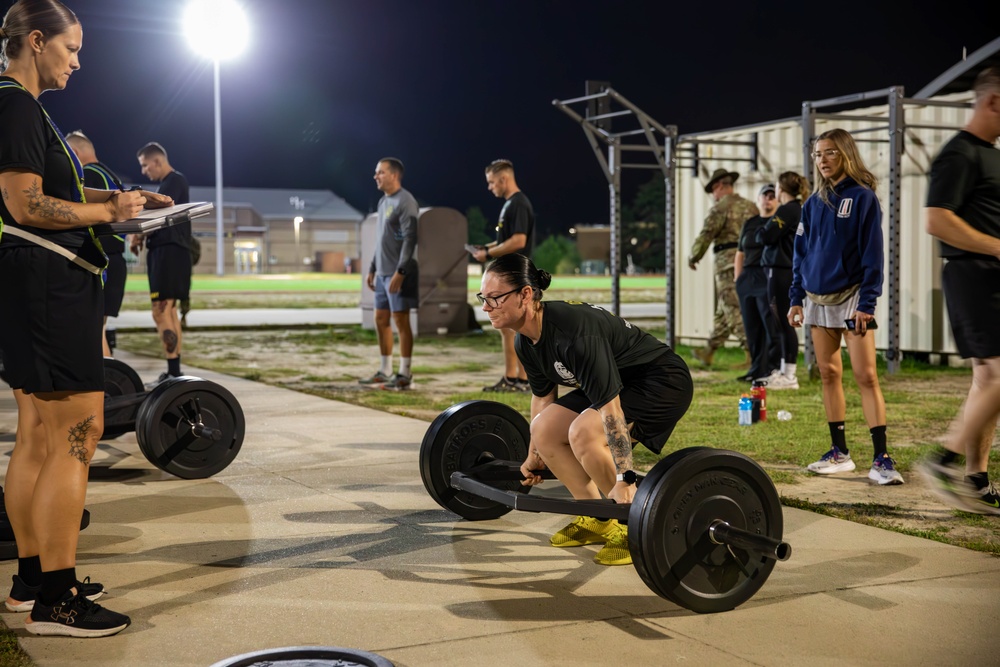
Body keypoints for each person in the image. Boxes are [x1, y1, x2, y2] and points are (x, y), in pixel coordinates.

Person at [0, 0, 171, 637]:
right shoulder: (17, 104)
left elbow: (51, 189)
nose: (77, 62)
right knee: (81, 431)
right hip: (47, 284)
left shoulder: (20, 107)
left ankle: (30, 582)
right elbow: (26, 202)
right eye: (71, 49)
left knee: (38, 437)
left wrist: (121, 197)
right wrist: (107, 217)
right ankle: (58, 598)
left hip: (25, 285)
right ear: (37, 41)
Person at [480, 254, 693, 566]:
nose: (486, 307)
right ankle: (595, 516)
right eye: (483, 298)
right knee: (544, 429)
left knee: (583, 433)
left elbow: (611, 410)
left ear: (526, 294)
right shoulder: (525, 341)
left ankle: (629, 523)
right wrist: (533, 455)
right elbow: (542, 400)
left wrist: (625, 476)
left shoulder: (575, 334)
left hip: (659, 381)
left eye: (494, 298)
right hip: (620, 381)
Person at [788, 128, 903, 485]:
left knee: (866, 375)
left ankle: (882, 458)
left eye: (830, 153)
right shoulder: (811, 203)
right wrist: (795, 297)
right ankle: (840, 452)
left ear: (846, 155)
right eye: (818, 155)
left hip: (853, 297)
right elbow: (800, 254)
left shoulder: (863, 198)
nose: (822, 160)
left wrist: (868, 302)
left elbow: (873, 255)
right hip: (817, 299)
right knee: (828, 373)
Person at [921, 66, 1000, 515]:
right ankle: (942, 460)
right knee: (997, 377)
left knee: (988, 380)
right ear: (991, 101)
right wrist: (995, 246)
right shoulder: (959, 153)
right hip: (972, 275)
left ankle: (975, 479)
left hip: (990, 275)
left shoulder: (992, 154)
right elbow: (937, 219)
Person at [469, 159, 535, 392]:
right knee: (508, 330)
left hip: (516, 277)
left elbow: (518, 241)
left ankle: (521, 380)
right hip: (511, 276)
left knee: (518, 328)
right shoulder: (510, 204)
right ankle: (513, 379)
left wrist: (487, 253)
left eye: (491, 182)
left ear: (503, 179)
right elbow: (503, 242)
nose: (490, 187)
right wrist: (485, 249)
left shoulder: (518, 203)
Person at [132, 141, 191, 386]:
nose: (144, 171)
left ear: (157, 161)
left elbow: (162, 210)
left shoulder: (173, 182)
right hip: (170, 253)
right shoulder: (170, 183)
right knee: (169, 310)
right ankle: (174, 370)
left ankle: (174, 372)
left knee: (160, 311)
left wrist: (137, 233)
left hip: (168, 253)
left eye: (145, 165)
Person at [65, 130, 126, 357]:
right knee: (97, 329)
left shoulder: (88, 174)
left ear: (75, 152)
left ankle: (108, 385)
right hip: (116, 259)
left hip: (101, 259)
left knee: (91, 332)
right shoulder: (110, 175)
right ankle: (110, 384)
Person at [688, 167, 756, 367]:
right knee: (723, 310)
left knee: (732, 308)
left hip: (728, 264)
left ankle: (753, 354)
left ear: (718, 187)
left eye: (713, 191)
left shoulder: (720, 208)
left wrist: (693, 256)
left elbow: (707, 234)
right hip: (751, 261)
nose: (714, 196)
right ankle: (709, 350)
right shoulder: (751, 207)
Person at [361, 157, 418, 390]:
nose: (376, 176)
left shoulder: (406, 201)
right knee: (380, 319)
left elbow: (410, 238)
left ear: (394, 175)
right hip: (382, 272)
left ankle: (405, 373)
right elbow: (380, 240)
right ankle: (385, 370)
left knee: (400, 321)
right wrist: (373, 267)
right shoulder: (384, 202)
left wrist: (401, 271)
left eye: (380, 172)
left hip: (398, 274)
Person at [756, 170, 811, 390]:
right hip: (782, 270)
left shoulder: (789, 209)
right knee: (780, 323)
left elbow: (766, 236)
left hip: (782, 271)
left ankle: (789, 375)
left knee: (784, 323)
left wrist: (762, 230)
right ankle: (783, 371)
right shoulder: (796, 208)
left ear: (781, 189)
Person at [734, 184, 781, 383]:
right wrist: (738, 279)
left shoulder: (779, 222)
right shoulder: (750, 223)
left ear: (777, 200)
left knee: (770, 324)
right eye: (765, 196)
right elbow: (740, 252)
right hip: (748, 278)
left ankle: (772, 369)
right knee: (752, 327)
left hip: (767, 275)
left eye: (772, 196)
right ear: (758, 199)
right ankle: (755, 369)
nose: (768, 200)